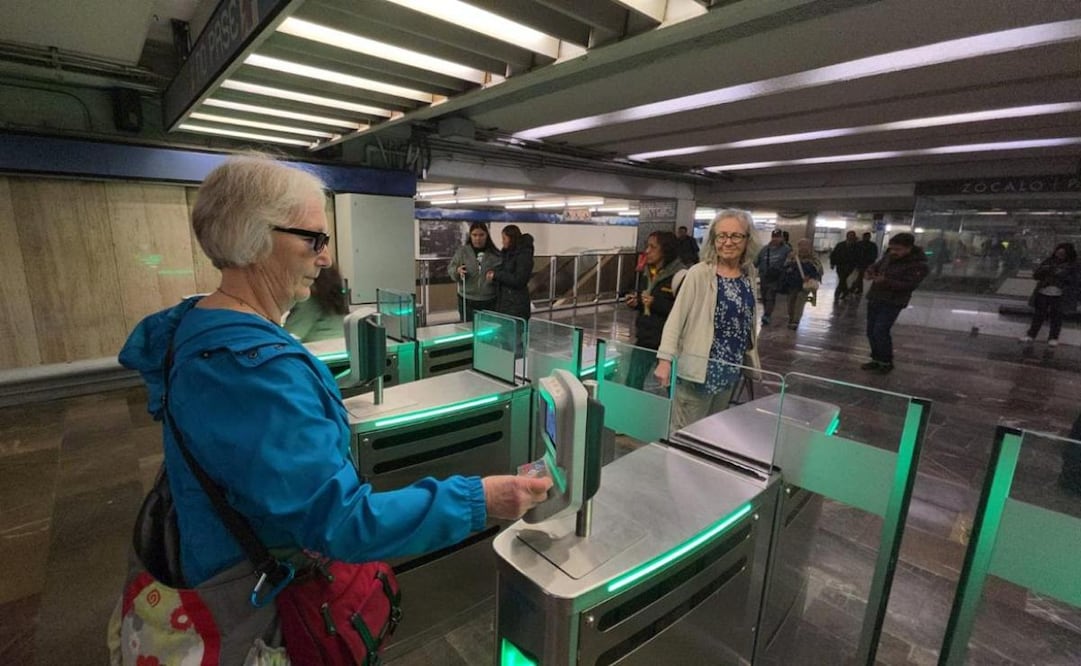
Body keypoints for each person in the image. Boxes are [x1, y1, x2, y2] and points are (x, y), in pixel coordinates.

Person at [117, 157, 551, 638]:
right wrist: (480, 499)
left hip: (213, 553)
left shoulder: (195, 328)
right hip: (252, 603)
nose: (325, 258)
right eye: (314, 239)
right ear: (256, 239)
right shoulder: (254, 371)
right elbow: (341, 520)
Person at [655, 210, 762, 430]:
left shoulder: (748, 274)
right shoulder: (699, 273)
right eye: (721, 236)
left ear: (747, 240)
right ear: (713, 240)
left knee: (711, 433)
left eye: (736, 236)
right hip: (698, 374)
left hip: (729, 372)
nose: (728, 242)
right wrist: (665, 360)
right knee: (686, 436)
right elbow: (676, 319)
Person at [624, 231, 685, 389]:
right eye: (647, 246)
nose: (647, 251)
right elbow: (638, 294)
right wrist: (636, 302)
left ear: (665, 250)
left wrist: (655, 303)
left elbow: (683, 311)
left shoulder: (680, 276)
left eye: (653, 247)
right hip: (645, 338)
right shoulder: (646, 273)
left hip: (667, 342)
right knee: (632, 382)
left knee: (671, 387)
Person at [861, 232, 929, 373]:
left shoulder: (918, 264)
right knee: (871, 331)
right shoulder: (889, 257)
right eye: (892, 248)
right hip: (876, 297)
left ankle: (886, 362)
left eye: (897, 249)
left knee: (880, 330)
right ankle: (876, 359)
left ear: (908, 248)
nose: (893, 252)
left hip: (893, 301)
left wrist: (885, 281)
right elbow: (875, 266)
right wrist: (869, 271)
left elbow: (909, 285)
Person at [1020, 242, 1079, 347]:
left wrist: (1061, 276)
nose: (1059, 255)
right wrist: (1045, 271)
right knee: (1038, 315)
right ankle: (1031, 335)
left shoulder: (1073, 265)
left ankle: (1053, 337)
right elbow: (1036, 275)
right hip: (1044, 292)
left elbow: (1075, 280)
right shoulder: (1048, 261)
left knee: (1056, 316)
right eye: (1058, 253)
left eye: (1062, 254)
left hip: (1060, 294)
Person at [448, 222, 501, 322]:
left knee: (488, 330)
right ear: (470, 236)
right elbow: (451, 268)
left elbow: (502, 273)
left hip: (489, 299)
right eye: (474, 235)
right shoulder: (462, 252)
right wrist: (457, 271)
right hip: (467, 299)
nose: (478, 238)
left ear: (487, 236)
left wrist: (496, 276)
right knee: (468, 329)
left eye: (481, 235)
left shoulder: (495, 254)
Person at [283, 264, 349, 342]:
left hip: (318, 350)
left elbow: (287, 336)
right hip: (339, 347)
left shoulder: (310, 301)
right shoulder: (334, 298)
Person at [487, 224, 535, 322]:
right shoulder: (507, 254)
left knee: (514, 334)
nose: (502, 241)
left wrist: (496, 275)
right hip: (506, 302)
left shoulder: (524, 256)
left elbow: (519, 280)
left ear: (511, 239)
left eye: (504, 238)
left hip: (516, 306)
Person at [781, 238, 824, 330]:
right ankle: (791, 318)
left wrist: (810, 275)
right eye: (802, 245)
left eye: (806, 245)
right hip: (792, 283)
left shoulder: (813, 257)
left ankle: (795, 321)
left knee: (799, 302)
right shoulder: (793, 256)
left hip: (805, 285)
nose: (804, 248)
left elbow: (818, 269)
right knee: (791, 302)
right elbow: (785, 266)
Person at [754, 229, 791, 325]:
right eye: (774, 237)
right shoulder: (764, 249)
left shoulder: (786, 250)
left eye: (778, 237)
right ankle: (767, 312)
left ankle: (767, 315)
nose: (776, 239)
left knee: (770, 296)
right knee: (764, 296)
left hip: (776, 278)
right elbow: (756, 262)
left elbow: (791, 262)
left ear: (782, 238)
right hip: (764, 277)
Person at [830, 230, 860, 303]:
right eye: (850, 235)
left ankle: (837, 293)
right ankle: (845, 292)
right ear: (847, 236)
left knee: (842, 279)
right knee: (842, 279)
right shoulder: (840, 245)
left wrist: (857, 265)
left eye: (853, 235)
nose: (851, 237)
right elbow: (834, 254)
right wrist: (832, 263)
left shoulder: (857, 247)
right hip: (840, 265)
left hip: (849, 266)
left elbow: (859, 256)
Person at [853, 232, 879, 297]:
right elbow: (855, 253)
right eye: (866, 237)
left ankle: (855, 288)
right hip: (859, 263)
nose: (867, 238)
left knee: (860, 275)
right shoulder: (859, 244)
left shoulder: (872, 245)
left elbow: (874, 255)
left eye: (868, 237)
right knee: (860, 275)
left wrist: (871, 262)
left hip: (867, 263)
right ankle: (857, 288)